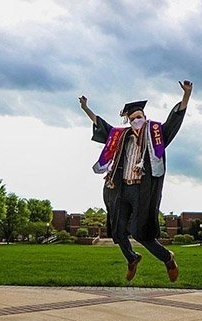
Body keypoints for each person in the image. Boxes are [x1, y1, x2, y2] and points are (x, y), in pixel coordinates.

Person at [79, 80, 192, 282]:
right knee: (118, 230)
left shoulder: (156, 134)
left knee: (140, 234)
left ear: (145, 117)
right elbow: (100, 124)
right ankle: (132, 258)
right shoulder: (121, 137)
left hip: (141, 190)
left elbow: (174, 121)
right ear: (128, 121)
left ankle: (168, 259)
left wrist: (186, 95)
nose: (136, 121)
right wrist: (86, 108)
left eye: (139, 117)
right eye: (132, 119)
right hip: (121, 189)